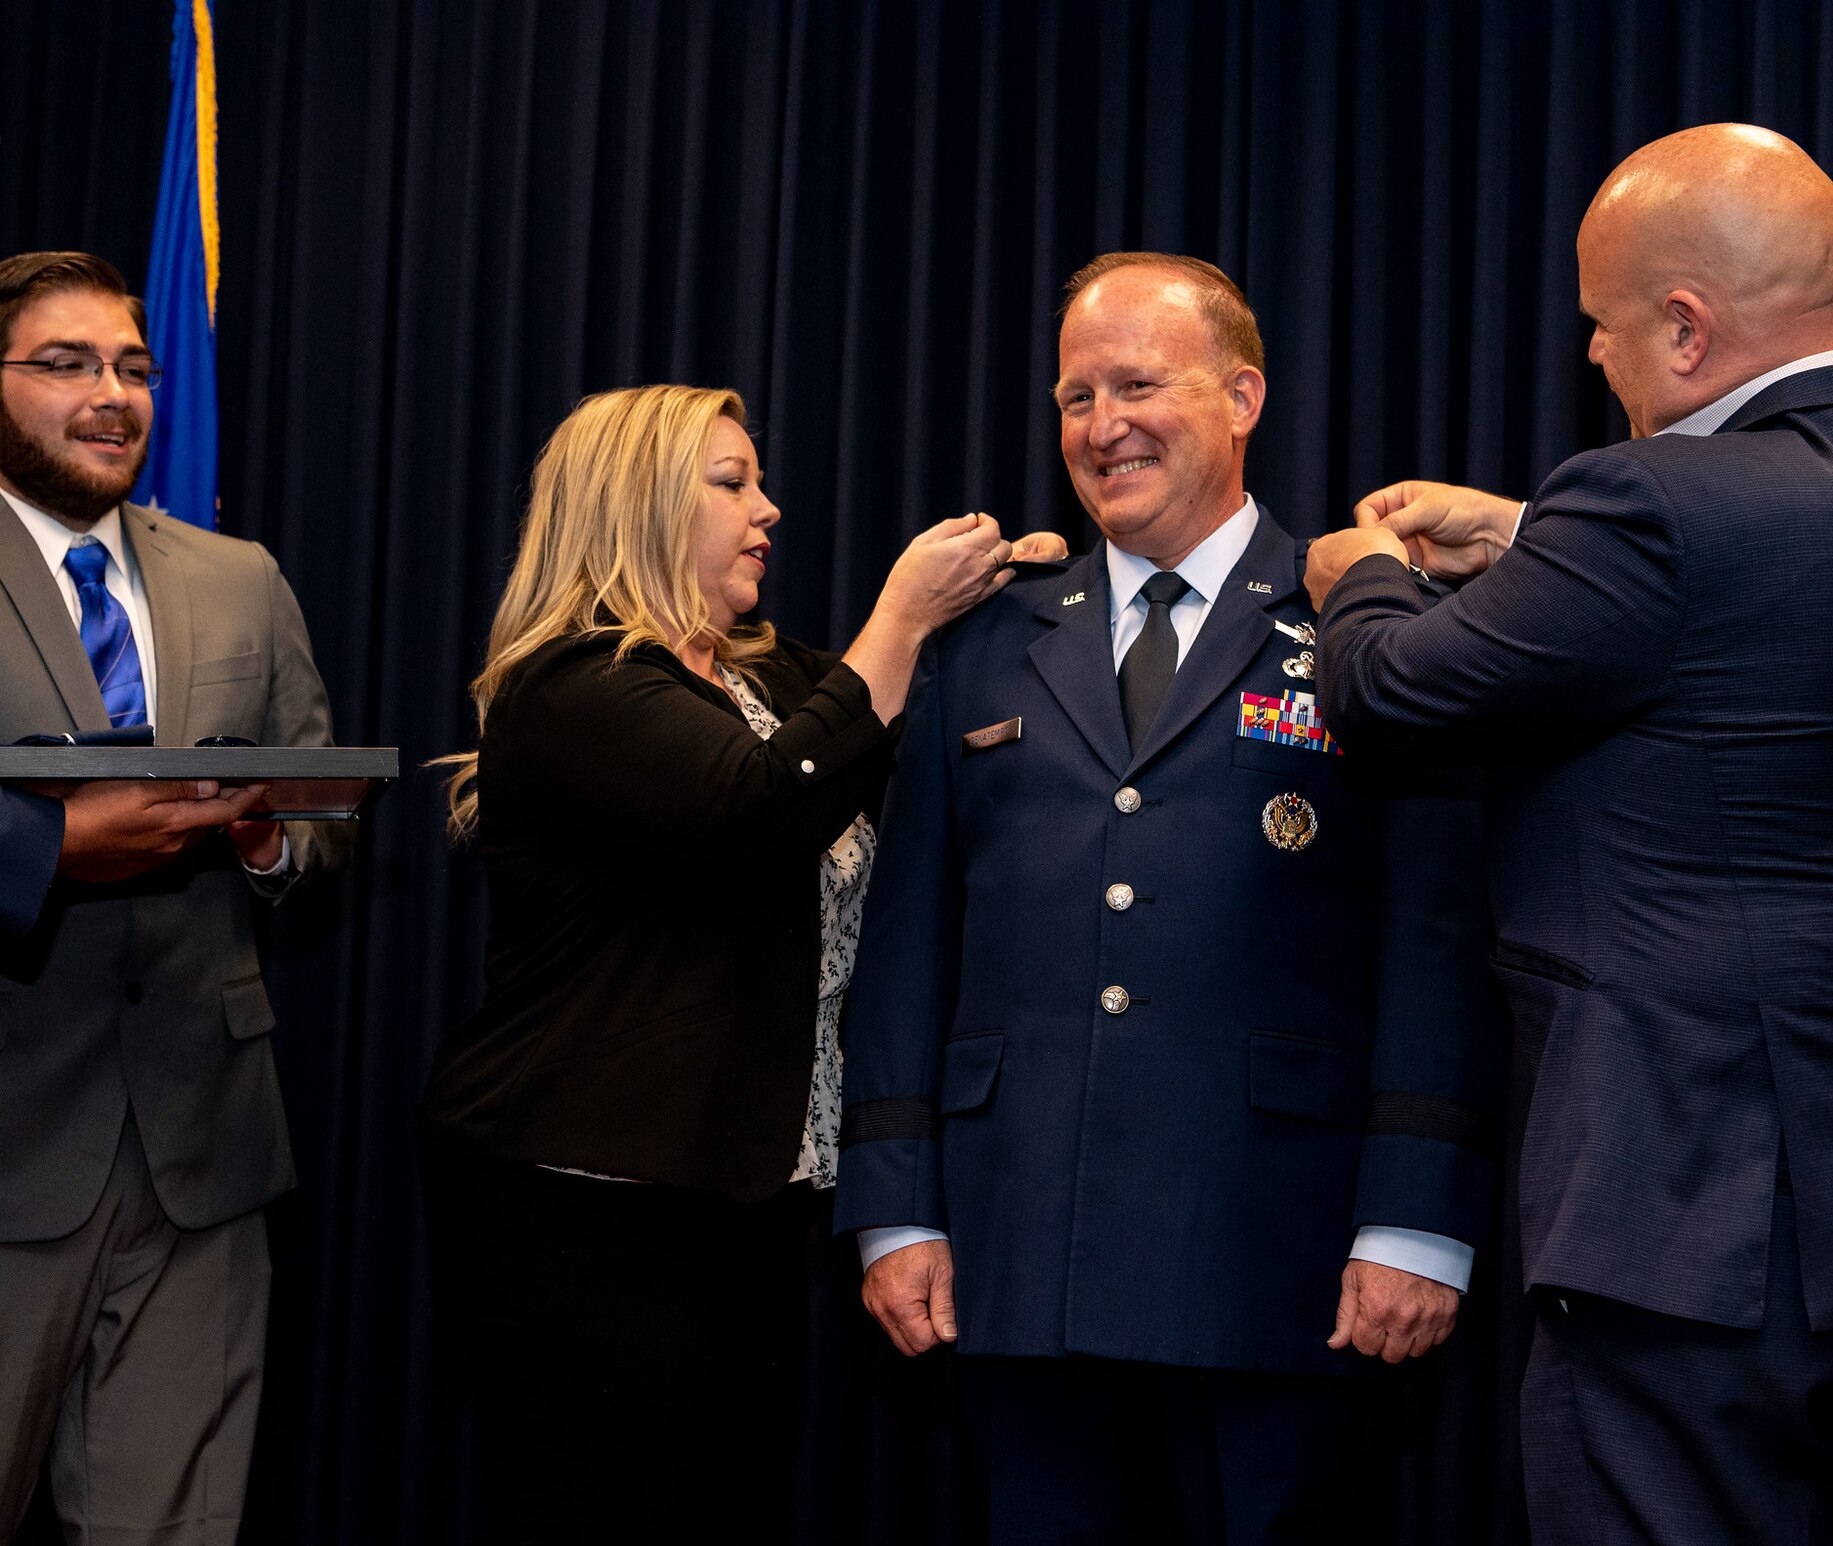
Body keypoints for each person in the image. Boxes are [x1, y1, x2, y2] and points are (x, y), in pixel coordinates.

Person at [1307, 124, 1833, 1545]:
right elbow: (1757, 606)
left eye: (1604, 331)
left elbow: (1381, 696)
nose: (1598, 363)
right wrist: (1521, 536)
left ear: (1685, 328)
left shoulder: (1643, 507)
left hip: (1691, 1234)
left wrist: (1362, 575)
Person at [834, 252, 1506, 1543]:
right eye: (1076, 395)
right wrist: (895, 1202)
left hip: (1279, 1248)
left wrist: (1419, 1219)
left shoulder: (1366, 627)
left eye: (1139, 383)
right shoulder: (983, 642)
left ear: (1243, 396)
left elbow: (1436, 945)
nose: (1103, 424)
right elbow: (909, 942)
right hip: (1017, 1242)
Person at [420, 383, 1062, 1542]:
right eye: (730, 484)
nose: (767, 509)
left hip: (746, 1195)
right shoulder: (571, 685)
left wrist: (1019, 594)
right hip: (589, 1204)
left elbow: (886, 721)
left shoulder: (762, 679)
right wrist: (901, 618)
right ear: (638, 507)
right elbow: (761, 806)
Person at [0, 250, 349, 1541]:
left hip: (207, 1152)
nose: (114, 394)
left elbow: (315, 814)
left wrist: (268, 841)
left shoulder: (237, 575)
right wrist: (48, 846)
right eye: (67, 363)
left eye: (134, 368)